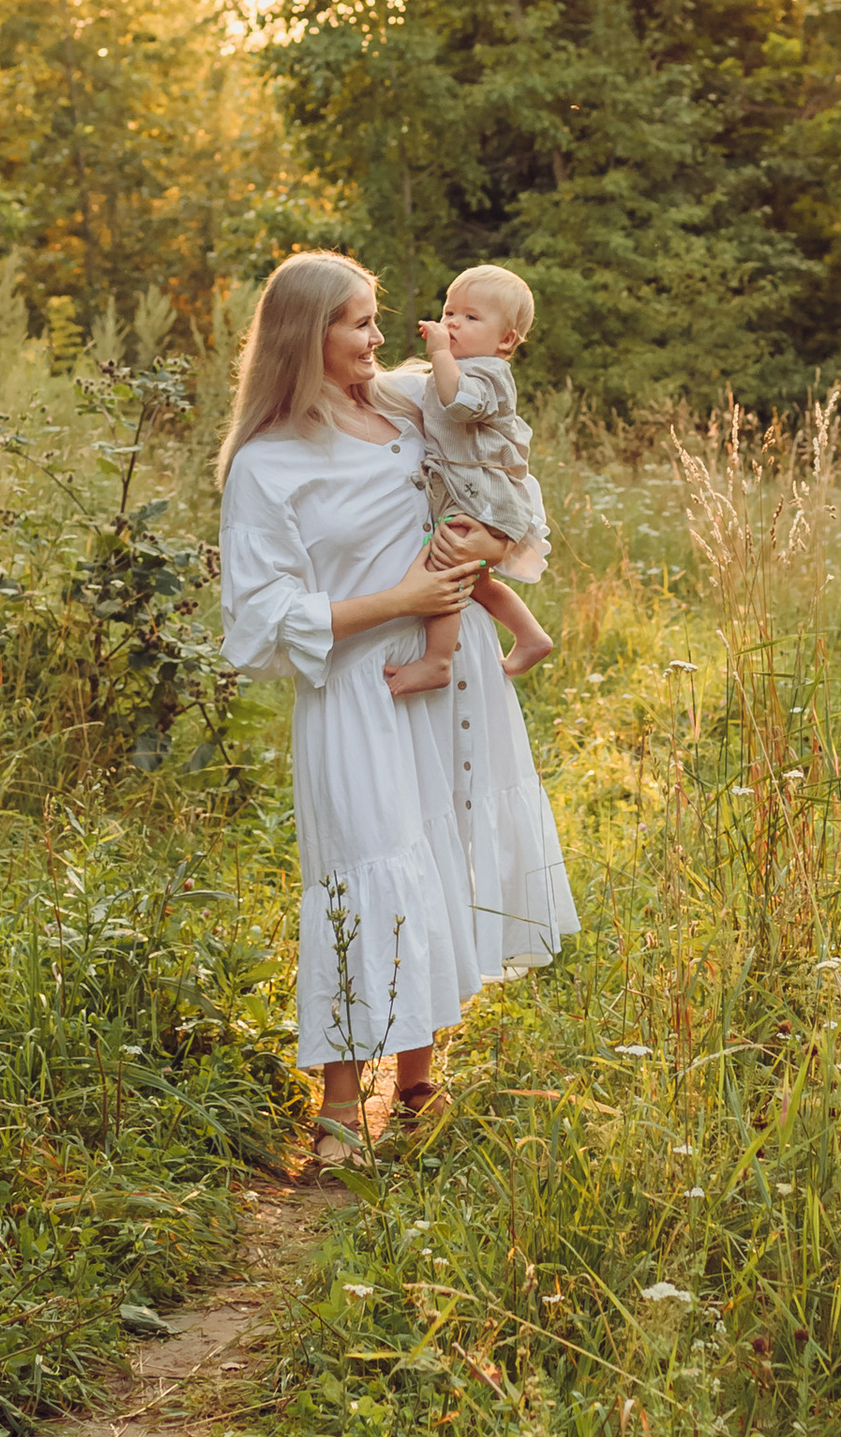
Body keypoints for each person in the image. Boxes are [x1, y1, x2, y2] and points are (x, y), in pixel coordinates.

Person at [216, 249, 578, 1173]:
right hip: (357, 683)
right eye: (359, 325)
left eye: (378, 320)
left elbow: (500, 454)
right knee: (361, 870)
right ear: (307, 336)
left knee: (444, 856)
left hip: (450, 673)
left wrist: (478, 569)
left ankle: (416, 1081)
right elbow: (260, 624)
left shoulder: (407, 402)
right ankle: (339, 1108)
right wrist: (399, 604)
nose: (381, 339)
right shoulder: (267, 463)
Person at [382, 262, 554, 696]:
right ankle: (531, 636)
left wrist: (439, 353)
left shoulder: (488, 374)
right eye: (448, 312)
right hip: (475, 494)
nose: (452, 324)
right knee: (477, 581)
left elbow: (459, 404)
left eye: (470, 317)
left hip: (482, 498)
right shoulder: (462, 368)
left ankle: (437, 662)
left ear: (506, 340)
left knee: (444, 572)